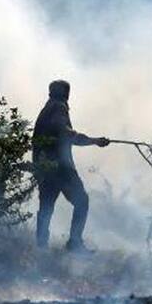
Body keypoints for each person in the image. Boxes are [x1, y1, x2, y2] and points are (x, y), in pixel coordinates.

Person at [32, 79, 109, 251]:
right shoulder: (59, 107)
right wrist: (94, 141)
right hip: (61, 168)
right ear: (66, 93)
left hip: (44, 167)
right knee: (82, 201)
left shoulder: (45, 110)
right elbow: (65, 133)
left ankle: (40, 248)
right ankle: (74, 243)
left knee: (46, 208)